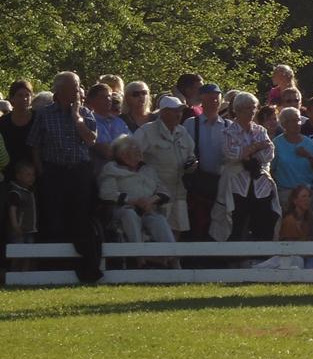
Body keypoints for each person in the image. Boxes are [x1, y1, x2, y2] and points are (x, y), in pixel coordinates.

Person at [26, 72, 103, 282]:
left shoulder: (86, 113)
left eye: (78, 87)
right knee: (54, 218)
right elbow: (34, 145)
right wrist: (42, 171)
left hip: (79, 172)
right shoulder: (44, 114)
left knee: (81, 219)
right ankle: (52, 266)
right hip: (54, 172)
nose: (76, 92)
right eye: (71, 88)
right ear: (58, 91)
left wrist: (77, 118)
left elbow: (91, 140)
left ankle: (87, 268)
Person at [98, 135, 177, 263]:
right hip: (122, 210)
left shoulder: (148, 170)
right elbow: (106, 193)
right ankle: (139, 257)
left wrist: (150, 200)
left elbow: (164, 191)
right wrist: (134, 201)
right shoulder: (111, 169)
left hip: (148, 209)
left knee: (159, 220)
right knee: (129, 214)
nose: (140, 152)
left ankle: (172, 257)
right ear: (123, 154)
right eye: (135, 149)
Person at [217, 92, 281, 242]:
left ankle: (263, 258)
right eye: (248, 108)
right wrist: (256, 146)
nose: (252, 112)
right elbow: (231, 153)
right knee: (236, 223)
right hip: (237, 185)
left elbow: (268, 154)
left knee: (264, 222)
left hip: (260, 184)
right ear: (237, 110)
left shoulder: (261, 131)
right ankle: (234, 259)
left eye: (254, 108)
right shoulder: (228, 132)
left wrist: (247, 152)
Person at [131, 95, 197, 237]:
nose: (178, 114)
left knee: (177, 228)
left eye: (180, 110)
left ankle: (173, 259)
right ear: (163, 112)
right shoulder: (146, 131)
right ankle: (157, 259)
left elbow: (191, 154)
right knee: (156, 230)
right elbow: (131, 156)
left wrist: (192, 164)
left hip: (179, 191)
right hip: (156, 194)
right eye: (174, 111)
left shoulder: (183, 132)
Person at [183, 83, 228, 241]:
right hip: (197, 183)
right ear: (201, 99)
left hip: (221, 183)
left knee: (219, 221)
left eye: (217, 98)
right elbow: (184, 150)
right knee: (197, 222)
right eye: (210, 97)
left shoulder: (229, 126)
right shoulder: (190, 124)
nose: (214, 101)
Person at [271, 107, 313, 206]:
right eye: (292, 121)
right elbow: (271, 169)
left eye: (298, 120)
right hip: (286, 193)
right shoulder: (277, 144)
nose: (297, 123)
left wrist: (308, 156)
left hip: (308, 191)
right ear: (284, 124)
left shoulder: (308, 142)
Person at [87, 82, 129, 174]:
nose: (108, 99)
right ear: (91, 100)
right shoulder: (89, 122)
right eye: (103, 97)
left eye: (109, 96)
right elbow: (107, 152)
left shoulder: (119, 122)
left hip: (125, 173)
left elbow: (133, 145)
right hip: (102, 174)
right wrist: (127, 154)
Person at [5, 160, 37, 272]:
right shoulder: (16, 192)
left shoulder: (29, 191)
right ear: (19, 176)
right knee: (17, 253)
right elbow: (12, 209)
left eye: (33, 174)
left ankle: (25, 274)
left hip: (29, 230)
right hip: (19, 230)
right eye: (28, 174)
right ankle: (13, 273)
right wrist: (15, 226)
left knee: (28, 253)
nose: (32, 177)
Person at [0, 80, 37, 179]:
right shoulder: (3, 122)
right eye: (20, 95)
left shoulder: (38, 119)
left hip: (33, 173)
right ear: (12, 98)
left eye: (27, 95)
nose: (24, 98)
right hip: (10, 173)